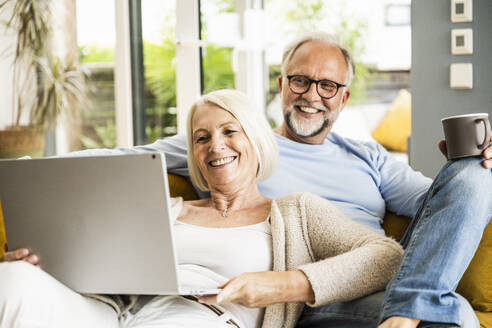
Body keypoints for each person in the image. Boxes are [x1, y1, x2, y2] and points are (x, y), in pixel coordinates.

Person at [44, 31, 491, 327]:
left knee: (474, 172)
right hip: (307, 304)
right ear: (281, 84)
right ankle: (419, 307)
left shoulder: (368, 156)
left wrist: (464, 168)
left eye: (327, 86)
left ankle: (412, 303)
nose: (311, 95)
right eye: (300, 80)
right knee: (454, 317)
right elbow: (123, 159)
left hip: (378, 279)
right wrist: (36, 167)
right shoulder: (237, 143)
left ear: (344, 97)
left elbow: (441, 208)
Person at [0, 90, 404, 328]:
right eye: (201, 137)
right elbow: (97, 264)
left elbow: (386, 256)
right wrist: (40, 264)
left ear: (256, 142)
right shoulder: (161, 207)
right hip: (113, 313)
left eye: (230, 131)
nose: (216, 146)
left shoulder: (296, 211)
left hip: (203, 320)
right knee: (13, 280)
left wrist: (283, 285)